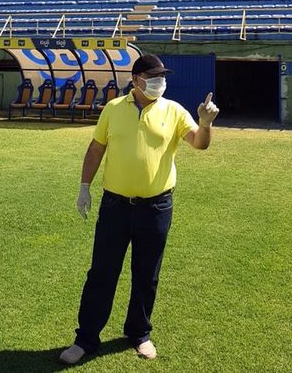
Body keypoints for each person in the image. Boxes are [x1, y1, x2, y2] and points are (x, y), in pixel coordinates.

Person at [59, 54, 219, 365]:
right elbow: (96, 147)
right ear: (136, 80)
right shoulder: (114, 109)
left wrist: (206, 123)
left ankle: (139, 333)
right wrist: (83, 187)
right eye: (153, 77)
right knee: (102, 273)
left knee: (147, 274)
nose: (160, 82)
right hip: (115, 205)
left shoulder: (173, 110)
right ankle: (86, 338)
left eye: (162, 77)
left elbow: (199, 143)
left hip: (156, 206)